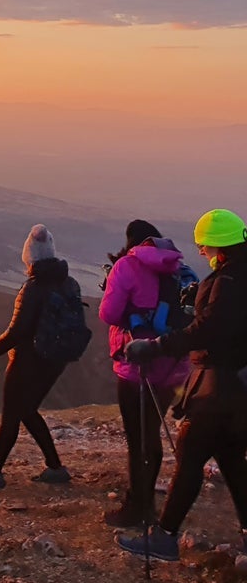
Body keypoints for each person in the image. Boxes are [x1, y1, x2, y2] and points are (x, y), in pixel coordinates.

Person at [119, 208, 247, 562]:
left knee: (190, 455)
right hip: (239, 389)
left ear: (219, 247)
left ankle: (164, 537)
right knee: (233, 460)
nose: (203, 253)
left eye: (205, 247)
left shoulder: (229, 282)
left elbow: (209, 330)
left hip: (218, 386)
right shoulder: (239, 277)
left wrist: (158, 345)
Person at [98, 219, 192, 528]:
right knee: (150, 431)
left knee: (138, 438)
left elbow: (108, 314)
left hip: (137, 365)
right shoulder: (176, 266)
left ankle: (138, 507)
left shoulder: (127, 266)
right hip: (173, 363)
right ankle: (145, 502)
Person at [0, 224, 76, 489]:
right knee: (27, 410)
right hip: (55, 360)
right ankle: (55, 468)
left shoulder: (33, 288)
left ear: (29, 256)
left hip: (27, 361)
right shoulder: (69, 283)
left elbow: (16, 332)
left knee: (12, 416)